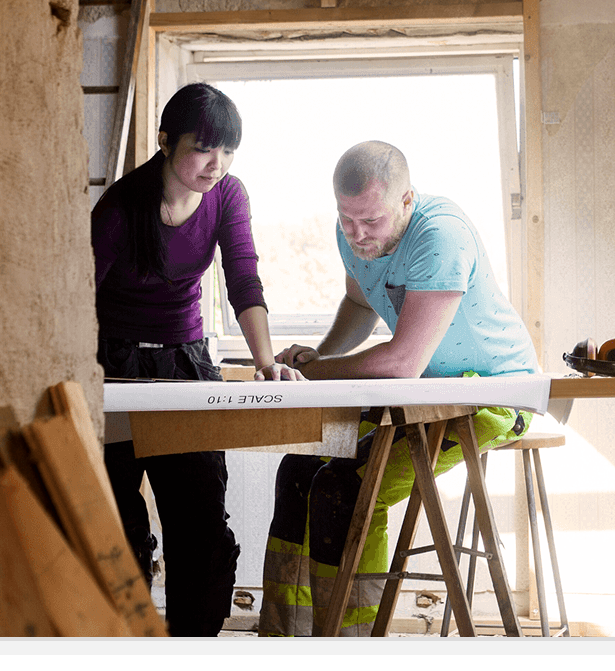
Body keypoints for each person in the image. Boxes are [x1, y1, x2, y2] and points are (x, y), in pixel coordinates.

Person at [257, 140, 538, 636]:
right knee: (298, 469)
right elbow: (359, 304)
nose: (357, 234)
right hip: (426, 395)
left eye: (371, 220)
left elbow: (402, 363)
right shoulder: (354, 233)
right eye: (347, 219)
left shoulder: (441, 235)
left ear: (407, 199)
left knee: (345, 487)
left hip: (492, 397)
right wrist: (317, 359)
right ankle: (286, 639)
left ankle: (349, 643)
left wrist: (316, 374)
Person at [91, 82, 302, 637]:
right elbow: (77, 298)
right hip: (113, 367)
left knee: (202, 527)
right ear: (165, 142)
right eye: (203, 149)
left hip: (185, 365)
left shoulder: (228, 194)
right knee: (116, 527)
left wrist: (266, 361)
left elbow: (244, 279)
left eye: (228, 151)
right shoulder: (119, 206)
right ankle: (127, 643)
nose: (217, 164)